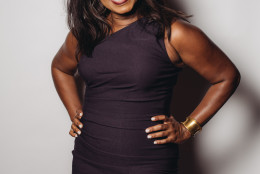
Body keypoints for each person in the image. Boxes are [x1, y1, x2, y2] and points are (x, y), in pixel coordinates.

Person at [51, 0, 241, 173]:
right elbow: (60, 68)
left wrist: (188, 128)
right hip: (88, 159)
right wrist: (74, 111)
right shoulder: (84, 33)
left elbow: (226, 77)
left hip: (148, 163)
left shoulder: (174, 34)